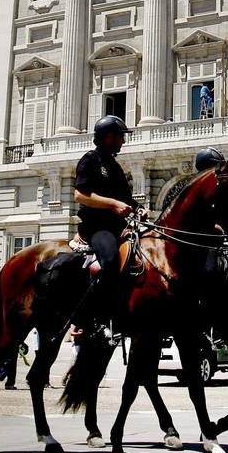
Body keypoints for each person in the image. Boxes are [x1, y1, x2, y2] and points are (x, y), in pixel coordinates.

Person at [73, 115, 140, 322]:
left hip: (118, 227)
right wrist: (113, 204)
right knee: (110, 260)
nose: (123, 141)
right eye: (120, 137)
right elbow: (80, 195)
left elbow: (126, 199)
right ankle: (100, 315)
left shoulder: (115, 166)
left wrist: (139, 210)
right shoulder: (90, 160)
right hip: (97, 227)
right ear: (109, 137)